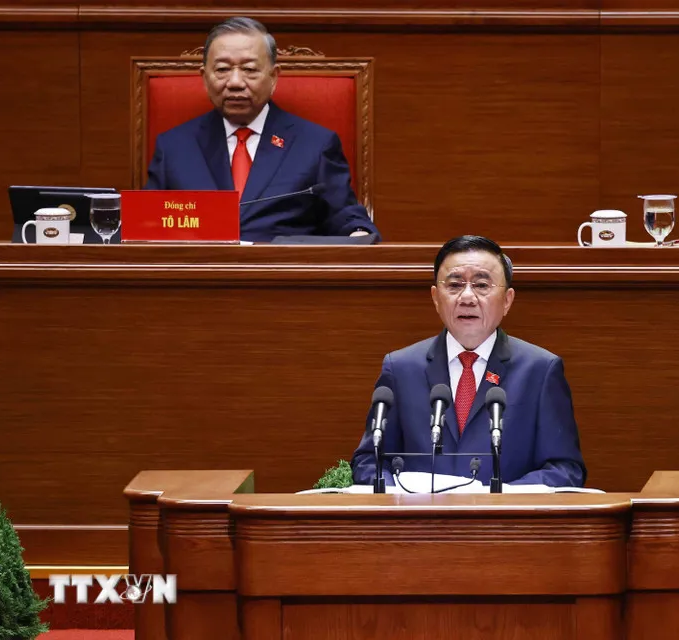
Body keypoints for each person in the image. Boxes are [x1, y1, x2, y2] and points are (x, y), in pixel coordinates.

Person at [350, 235, 586, 488]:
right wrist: (403, 494)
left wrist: (499, 497)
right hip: (420, 513)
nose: (467, 297)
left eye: (482, 285)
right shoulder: (401, 368)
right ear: (435, 297)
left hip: (503, 513)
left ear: (507, 300)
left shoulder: (540, 370)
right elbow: (370, 462)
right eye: (454, 285)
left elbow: (565, 469)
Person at [144, 17, 379, 243]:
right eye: (222, 69)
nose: (235, 82)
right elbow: (145, 223)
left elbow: (346, 216)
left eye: (249, 69)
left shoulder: (315, 145)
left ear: (273, 77)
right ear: (205, 78)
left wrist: (357, 234)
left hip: (281, 268)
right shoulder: (174, 147)